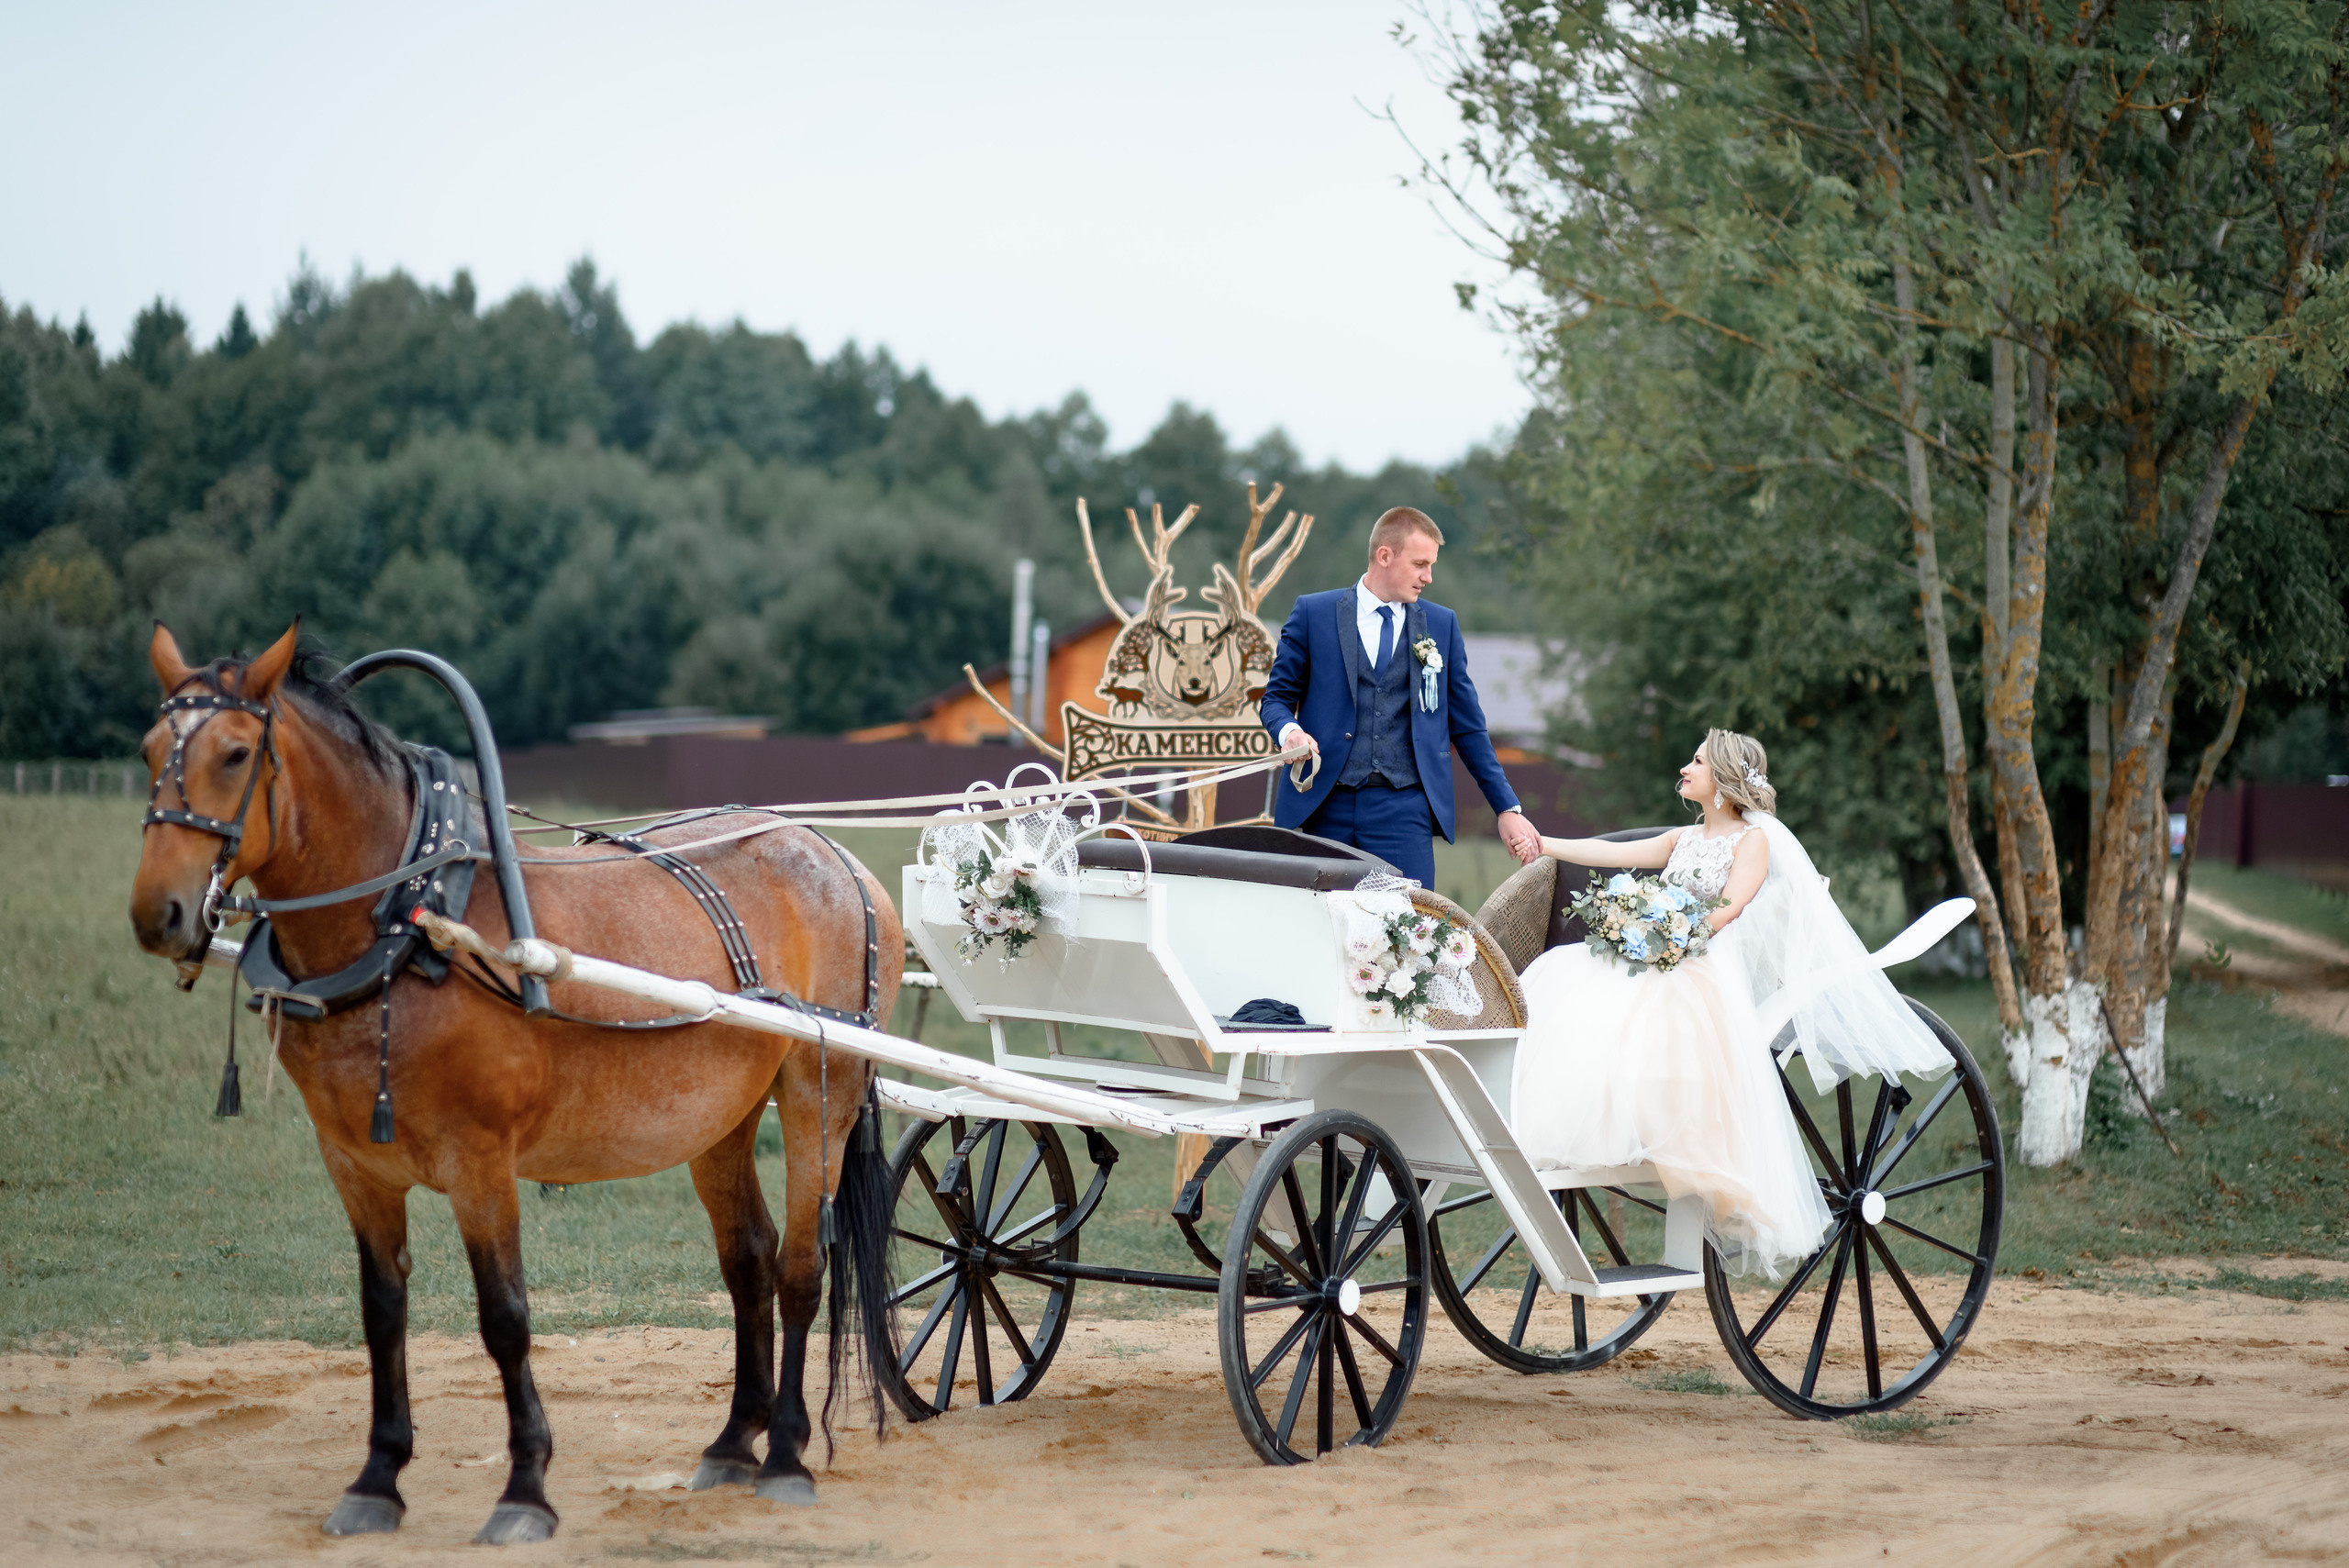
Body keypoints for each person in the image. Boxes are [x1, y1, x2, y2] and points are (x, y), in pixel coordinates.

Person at [1508, 728, 1952, 1275]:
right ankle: (1582, 1128)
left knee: (1659, 1012)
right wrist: (1545, 844)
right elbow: (1612, 853)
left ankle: (1671, 1139)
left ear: (1722, 781)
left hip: (1699, 964)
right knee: (1574, 981)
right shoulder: (1684, 838)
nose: (1686, 767)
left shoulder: (1752, 842)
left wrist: (1675, 934)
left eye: (1697, 761)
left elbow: (1731, 905)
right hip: (1661, 951)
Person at [1259, 506, 1540, 888]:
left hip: (1404, 811)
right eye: (1420, 564)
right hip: (1325, 804)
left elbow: (1469, 727)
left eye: (1431, 565)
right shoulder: (1313, 613)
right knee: (1320, 931)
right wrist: (1290, 732)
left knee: (1408, 934)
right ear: (1385, 556)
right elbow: (1275, 699)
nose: (1429, 577)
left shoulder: (1442, 625)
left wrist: (1506, 807)